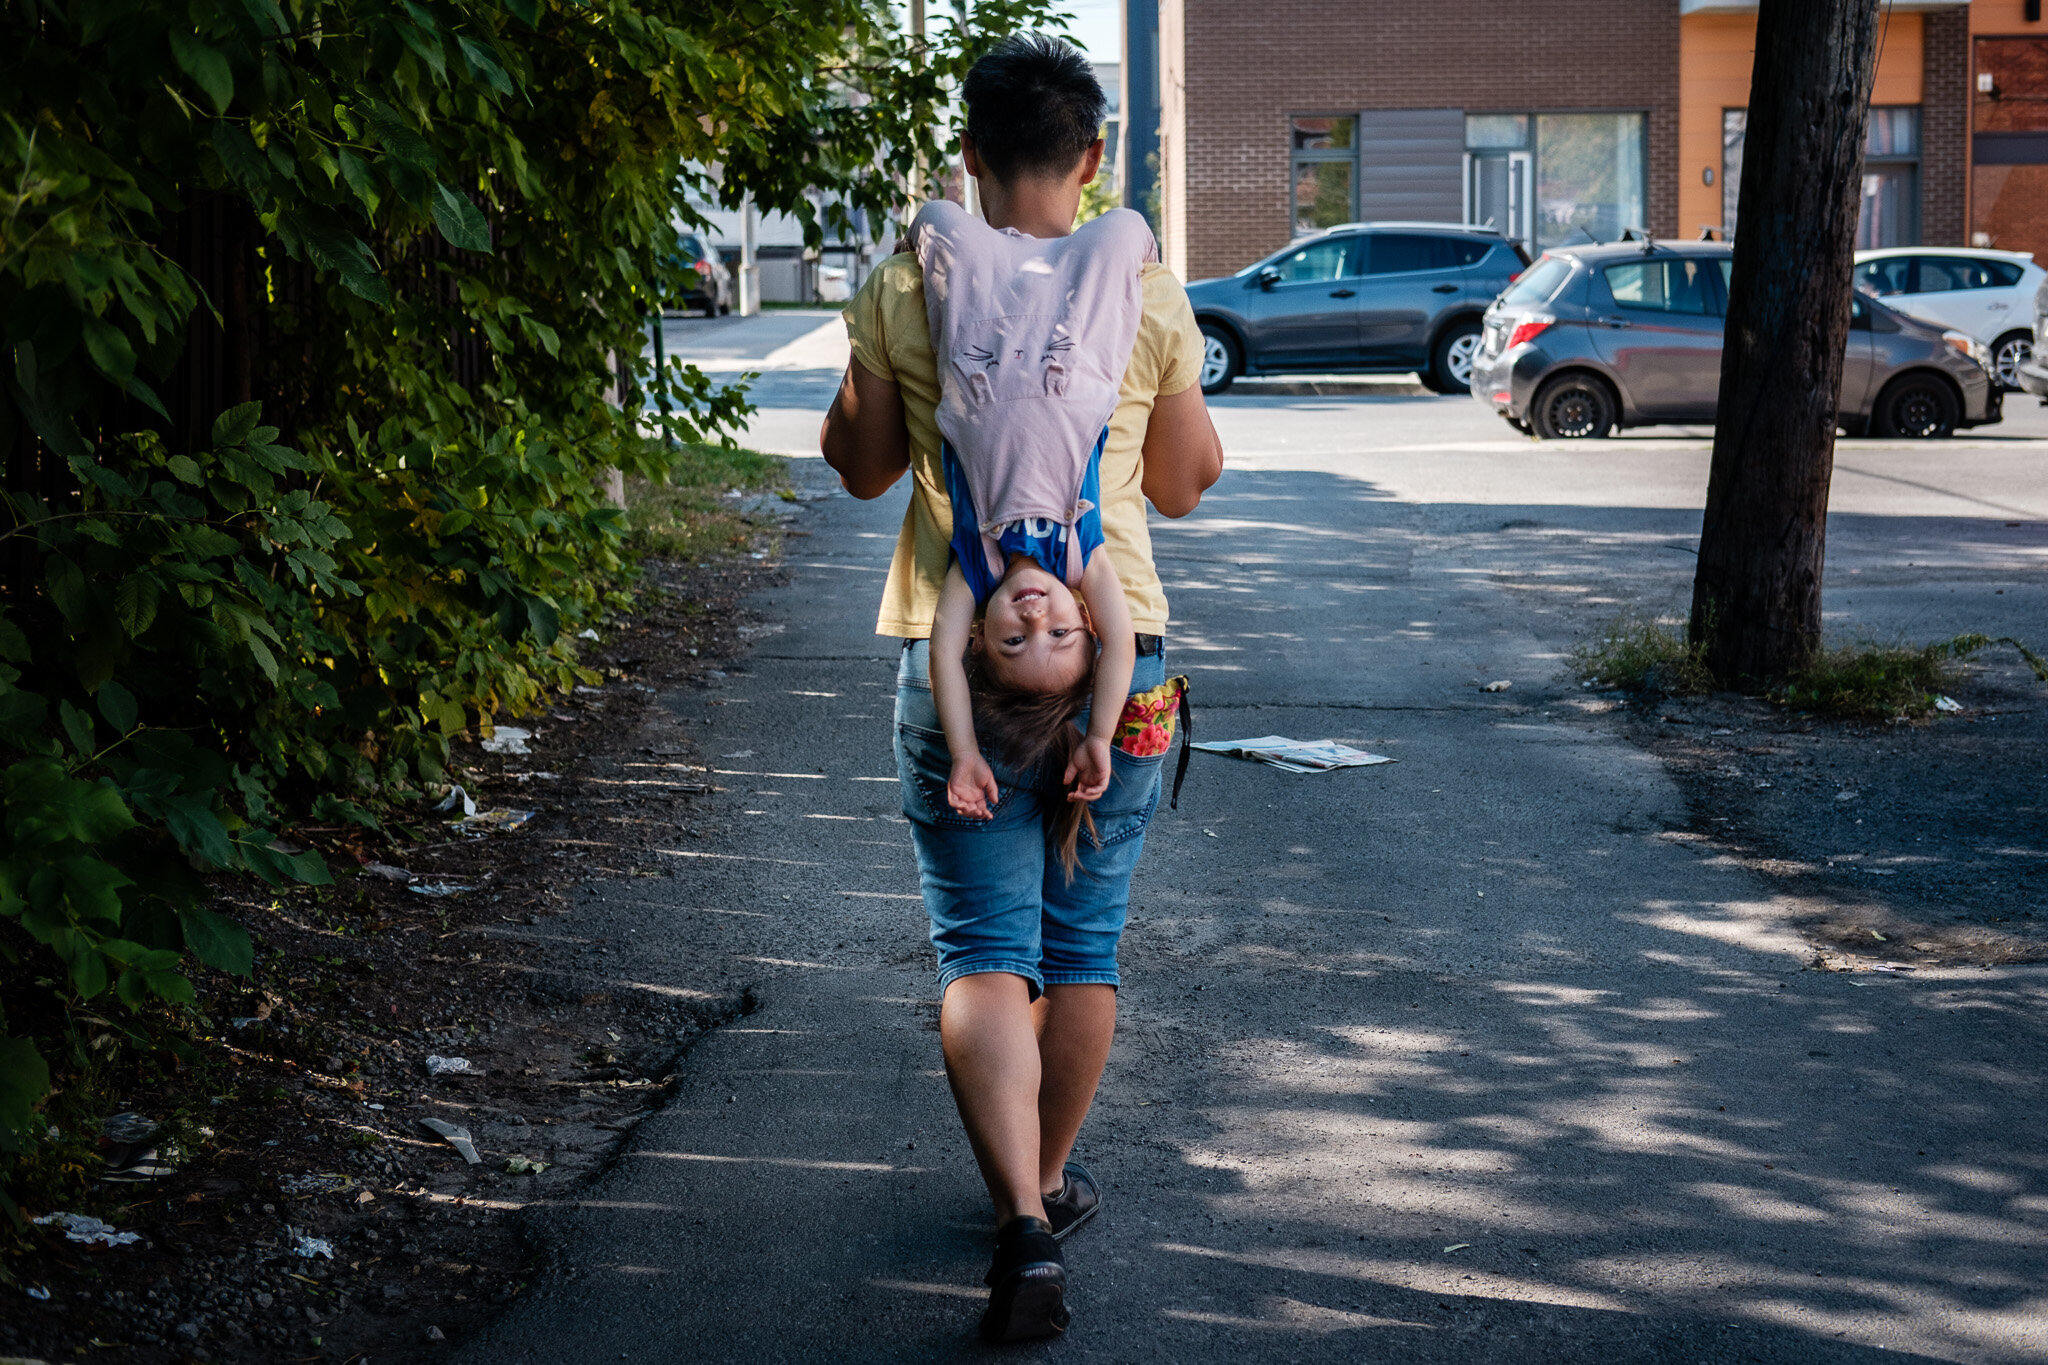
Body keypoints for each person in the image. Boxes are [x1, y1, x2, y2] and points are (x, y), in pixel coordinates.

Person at [820, 32, 1223, 1343]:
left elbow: (859, 467)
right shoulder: (1142, 290)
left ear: (971, 156)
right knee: (1081, 949)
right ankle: (1046, 1179)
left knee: (985, 954)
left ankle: (1020, 1224)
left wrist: (884, 352)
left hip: (960, 659)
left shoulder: (909, 283)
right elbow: (1184, 483)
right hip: (1116, 659)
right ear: (1093, 158)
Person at [908, 195, 1152, 855]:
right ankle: (1071, 252)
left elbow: (940, 656)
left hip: (982, 344)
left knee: (938, 220)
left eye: (1015, 641)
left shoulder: (977, 567)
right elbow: (1123, 646)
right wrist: (1098, 737)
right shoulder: (1081, 556)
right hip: (1071, 349)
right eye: (1061, 633)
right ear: (1086, 618)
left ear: (980, 640)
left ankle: (981, 246)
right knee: (1125, 228)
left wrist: (965, 752)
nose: (1034, 616)